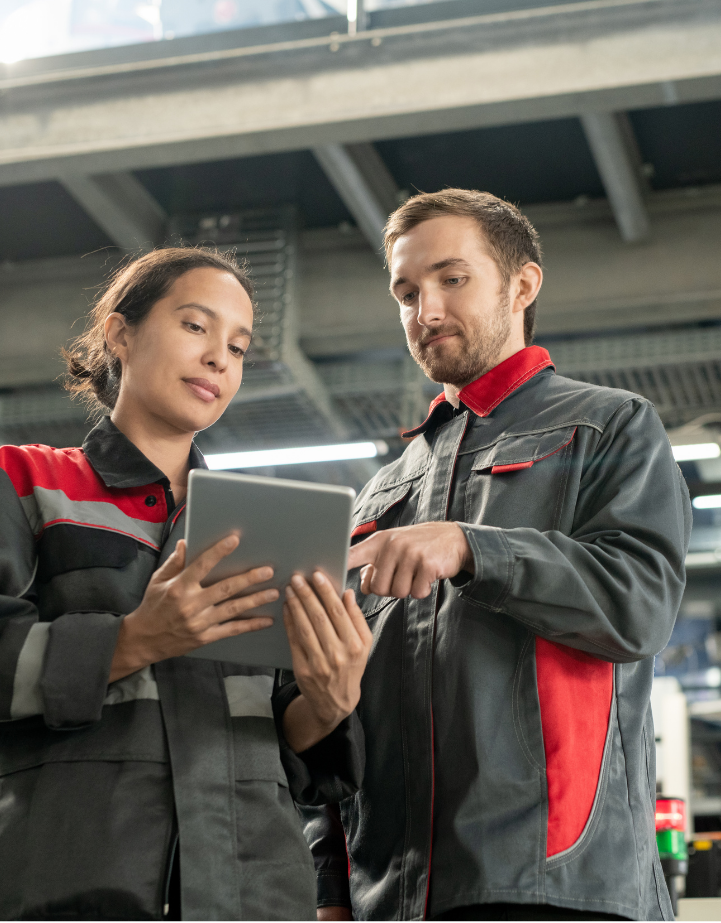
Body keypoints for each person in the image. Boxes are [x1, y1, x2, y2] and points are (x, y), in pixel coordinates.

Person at [0, 247, 373, 922]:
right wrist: (133, 639)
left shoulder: (267, 526)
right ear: (120, 332)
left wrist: (329, 701)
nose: (221, 358)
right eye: (196, 326)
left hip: (250, 894)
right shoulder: (23, 483)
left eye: (239, 345)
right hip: (61, 882)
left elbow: (288, 740)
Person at [295, 189, 691, 922]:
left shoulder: (606, 427)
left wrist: (472, 547)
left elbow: (637, 605)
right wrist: (329, 881)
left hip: (557, 883)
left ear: (521, 285)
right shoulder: (379, 492)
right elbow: (339, 700)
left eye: (452, 278)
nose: (426, 310)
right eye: (406, 291)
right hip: (389, 894)